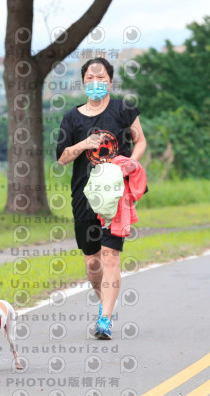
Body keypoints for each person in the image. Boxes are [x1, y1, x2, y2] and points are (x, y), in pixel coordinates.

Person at [56, 57, 147, 339]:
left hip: (116, 196)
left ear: (110, 81)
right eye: (90, 79)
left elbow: (140, 140)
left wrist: (131, 163)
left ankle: (105, 319)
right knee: (92, 262)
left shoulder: (124, 109)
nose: (96, 83)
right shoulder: (72, 118)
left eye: (101, 78)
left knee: (110, 256)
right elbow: (62, 158)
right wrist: (84, 143)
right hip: (85, 195)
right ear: (83, 82)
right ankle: (104, 302)